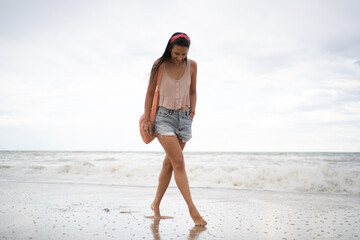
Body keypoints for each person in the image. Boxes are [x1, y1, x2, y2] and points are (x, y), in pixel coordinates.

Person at [143, 32, 207, 226]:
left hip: (184, 118)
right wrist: (147, 119)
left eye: (183, 54)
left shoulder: (192, 65)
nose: (180, 57)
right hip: (163, 118)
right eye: (177, 53)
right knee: (178, 161)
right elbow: (149, 92)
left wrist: (192, 113)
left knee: (169, 164)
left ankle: (155, 204)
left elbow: (193, 91)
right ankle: (193, 211)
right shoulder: (159, 65)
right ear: (170, 48)